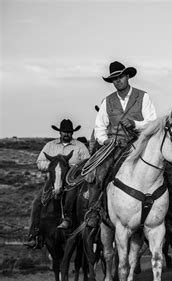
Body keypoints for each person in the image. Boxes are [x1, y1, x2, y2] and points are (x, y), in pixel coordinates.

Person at [57, 61, 157, 229]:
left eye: (120, 77)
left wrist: (135, 124)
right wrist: (105, 140)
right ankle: (94, 211)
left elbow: (152, 122)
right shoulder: (107, 101)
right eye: (114, 79)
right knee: (97, 173)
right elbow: (99, 128)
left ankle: (167, 213)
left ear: (127, 77)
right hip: (114, 146)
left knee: (161, 167)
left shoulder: (143, 96)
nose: (117, 81)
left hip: (138, 143)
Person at [23, 119, 90, 248]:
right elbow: (40, 162)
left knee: (84, 202)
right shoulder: (50, 145)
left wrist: (71, 167)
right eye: (64, 132)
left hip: (73, 182)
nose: (66, 134)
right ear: (60, 132)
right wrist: (55, 165)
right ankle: (34, 235)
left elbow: (88, 164)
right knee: (37, 203)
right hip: (52, 181)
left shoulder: (80, 146)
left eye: (69, 132)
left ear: (72, 133)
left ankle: (84, 228)